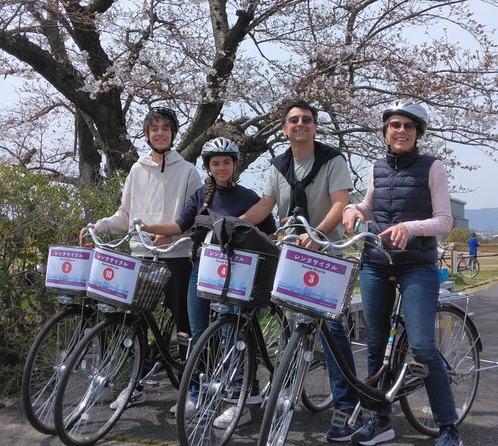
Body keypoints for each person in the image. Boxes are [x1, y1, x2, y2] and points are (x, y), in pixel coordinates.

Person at [240, 98, 362, 442]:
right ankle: (285, 389)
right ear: (284, 128)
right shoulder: (277, 165)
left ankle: (345, 405)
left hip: (327, 253)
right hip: (290, 253)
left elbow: (341, 201)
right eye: (293, 120)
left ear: (314, 126)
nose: (300, 124)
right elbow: (266, 204)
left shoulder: (331, 159)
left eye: (306, 119)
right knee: (293, 325)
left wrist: (320, 233)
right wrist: (234, 223)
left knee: (333, 332)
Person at [342, 100, 462, 446]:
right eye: (394, 125)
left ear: (417, 133)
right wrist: (353, 209)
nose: (401, 131)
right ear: (385, 131)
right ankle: (380, 420)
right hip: (376, 263)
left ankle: (448, 426)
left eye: (408, 126)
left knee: (423, 347)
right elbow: (370, 204)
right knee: (376, 344)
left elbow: (444, 219)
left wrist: (410, 227)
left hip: (417, 266)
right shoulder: (376, 166)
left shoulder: (432, 167)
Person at [138, 136, 276, 427]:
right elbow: (179, 225)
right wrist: (146, 226)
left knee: (231, 335)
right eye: (216, 163)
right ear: (209, 167)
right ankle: (195, 393)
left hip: (237, 274)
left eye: (227, 162)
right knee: (197, 334)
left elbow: (269, 234)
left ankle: (238, 401)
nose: (222, 167)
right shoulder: (202, 194)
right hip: (202, 269)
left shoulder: (249, 197)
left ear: (235, 165)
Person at [78, 107, 202, 408]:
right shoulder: (137, 168)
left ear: (173, 133)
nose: (159, 133)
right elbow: (125, 215)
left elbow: (198, 218)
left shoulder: (188, 171)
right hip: (141, 257)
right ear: (147, 134)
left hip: (176, 256)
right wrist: (99, 226)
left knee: (184, 321)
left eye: (165, 128)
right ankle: (135, 383)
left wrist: (172, 234)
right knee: (131, 323)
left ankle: (194, 387)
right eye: (153, 128)